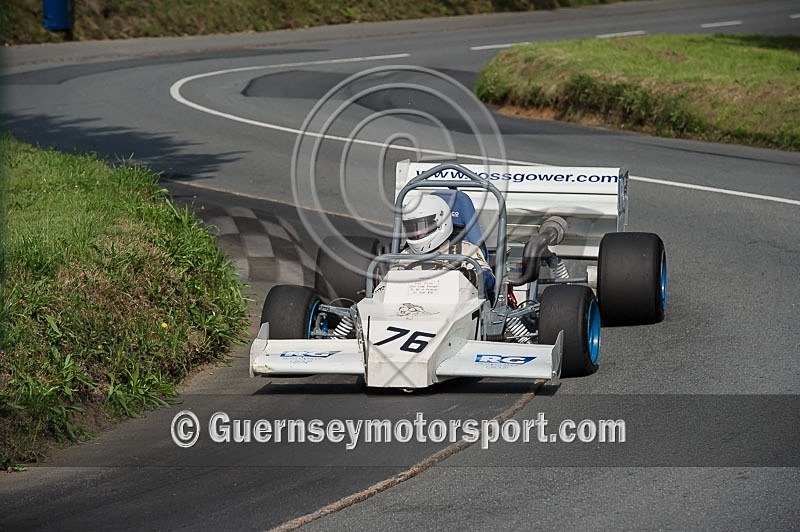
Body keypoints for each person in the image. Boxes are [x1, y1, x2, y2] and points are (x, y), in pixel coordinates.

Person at [400, 194, 495, 294]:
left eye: (421, 227)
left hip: (459, 306)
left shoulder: (466, 250)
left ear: (440, 224)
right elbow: (389, 284)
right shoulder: (406, 254)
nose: (416, 233)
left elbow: (488, 278)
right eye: (411, 229)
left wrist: (471, 276)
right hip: (414, 304)